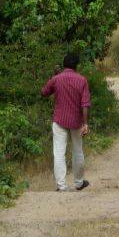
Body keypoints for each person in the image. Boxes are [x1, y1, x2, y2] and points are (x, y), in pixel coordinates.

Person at [41, 52, 91, 192]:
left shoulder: (56, 79)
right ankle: (79, 182)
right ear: (76, 65)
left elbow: (44, 92)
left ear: (64, 64)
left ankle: (61, 186)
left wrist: (52, 77)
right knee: (77, 151)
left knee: (59, 152)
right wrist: (85, 123)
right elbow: (85, 104)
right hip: (76, 121)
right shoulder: (82, 80)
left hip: (59, 120)